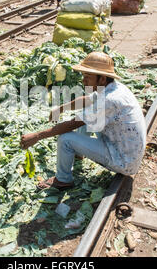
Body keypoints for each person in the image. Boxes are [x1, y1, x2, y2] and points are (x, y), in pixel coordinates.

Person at [20, 52, 146, 190]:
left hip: (123, 161)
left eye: (88, 77)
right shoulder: (114, 88)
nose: (83, 81)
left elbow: (73, 124)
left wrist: (37, 136)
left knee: (66, 138)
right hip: (123, 148)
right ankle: (78, 154)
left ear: (102, 79)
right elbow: (87, 100)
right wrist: (61, 108)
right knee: (87, 115)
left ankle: (62, 180)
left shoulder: (109, 100)